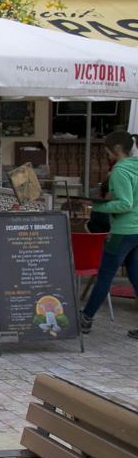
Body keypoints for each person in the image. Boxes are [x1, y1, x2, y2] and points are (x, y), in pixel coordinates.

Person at [81, 131, 138, 334]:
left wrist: (97, 207)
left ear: (116, 149)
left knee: (105, 275)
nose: (106, 155)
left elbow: (125, 203)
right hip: (137, 231)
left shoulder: (120, 171)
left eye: (106, 151)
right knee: (136, 276)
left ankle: (86, 318)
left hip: (123, 231)